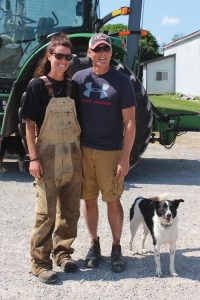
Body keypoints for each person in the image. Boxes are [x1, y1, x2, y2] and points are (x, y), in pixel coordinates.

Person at [21, 33, 82, 284]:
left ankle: (63, 253)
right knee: (46, 214)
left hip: (72, 156)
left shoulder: (72, 87)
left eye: (67, 57)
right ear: (49, 56)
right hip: (46, 157)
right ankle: (39, 263)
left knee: (70, 211)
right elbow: (29, 124)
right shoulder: (37, 85)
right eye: (58, 56)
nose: (63, 61)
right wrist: (33, 158)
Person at [72, 33, 136, 272]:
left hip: (110, 152)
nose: (101, 54)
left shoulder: (121, 81)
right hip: (84, 151)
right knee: (89, 201)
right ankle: (94, 244)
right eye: (97, 49)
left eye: (105, 49)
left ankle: (116, 247)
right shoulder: (78, 79)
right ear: (89, 53)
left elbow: (130, 123)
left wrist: (125, 157)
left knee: (113, 201)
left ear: (110, 52)